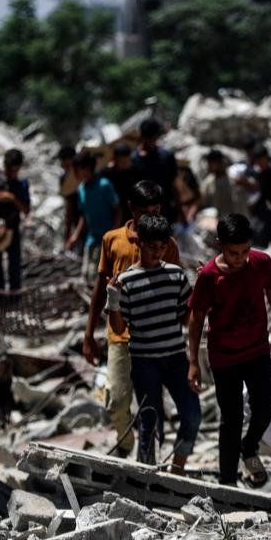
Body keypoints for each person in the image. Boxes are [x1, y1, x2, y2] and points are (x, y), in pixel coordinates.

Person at [187, 214, 271, 487]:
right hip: (224, 359)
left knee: (265, 407)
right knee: (231, 420)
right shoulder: (209, 276)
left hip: (257, 350)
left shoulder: (261, 262)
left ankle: (250, 446)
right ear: (220, 244)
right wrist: (193, 362)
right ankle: (228, 482)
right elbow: (196, 318)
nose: (240, 258)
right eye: (234, 253)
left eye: (245, 251)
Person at [84, 180, 182, 458]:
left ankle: (146, 461)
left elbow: (175, 289)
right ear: (131, 209)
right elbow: (101, 289)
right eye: (144, 211)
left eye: (156, 211)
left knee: (150, 406)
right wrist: (88, 334)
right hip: (121, 336)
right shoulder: (113, 240)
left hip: (154, 339)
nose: (150, 216)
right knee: (116, 400)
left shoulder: (168, 244)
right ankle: (125, 441)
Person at [106, 214, 199, 468]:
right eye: (151, 247)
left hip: (176, 359)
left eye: (162, 247)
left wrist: (199, 293)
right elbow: (119, 327)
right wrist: (113, 300)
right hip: (144, 362)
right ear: (139, 243)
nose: (157, 252)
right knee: (150, 421)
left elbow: (185, 320)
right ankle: (146, 476)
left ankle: (177, 468)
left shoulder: (176, 275)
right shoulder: (126, 281)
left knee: (192, 415)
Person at [67, 151, 121, 282]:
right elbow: (84, 215)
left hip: (107, 239)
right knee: (86, 275)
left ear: (87, 168)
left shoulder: (104, 185)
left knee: (101, 277)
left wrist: (113, 233)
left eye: (77, 170)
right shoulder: (81, 189)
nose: (75, 174)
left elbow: (118, 210)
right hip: (92, 239)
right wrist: (75, 236)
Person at [0, 149, 31, 292]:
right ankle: (0, 298)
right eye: (9, 169)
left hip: (12, 229)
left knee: (14, 268)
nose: (11, 173)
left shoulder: (21, 184)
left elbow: (26, 210)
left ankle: (15, 299)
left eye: (15, 170)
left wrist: (12, 198)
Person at [132, 119, 179, 224]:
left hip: (164, 211)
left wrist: (180, 210)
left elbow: (174, 185)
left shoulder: (167, 157)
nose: (152, 140)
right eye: (149, 137)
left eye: (154, 137)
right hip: (143, 213)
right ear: (142, 136)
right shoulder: (133, 160)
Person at [196, 149, 243, 217]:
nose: (208, 165)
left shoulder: (233, 175)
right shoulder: (208, 182)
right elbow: (200, 201)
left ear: (220, 162)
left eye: (211, 163)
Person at [58, 145, 81, 246]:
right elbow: (69, 206)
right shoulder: (64, 179)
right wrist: (67, 234)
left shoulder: (86, 174)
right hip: (77, 218)